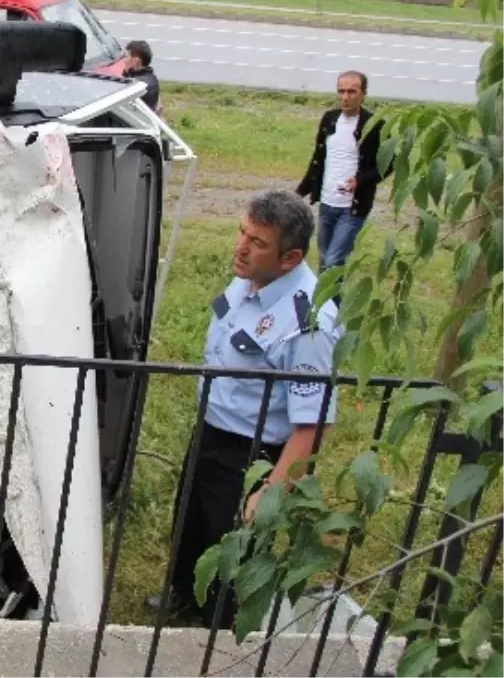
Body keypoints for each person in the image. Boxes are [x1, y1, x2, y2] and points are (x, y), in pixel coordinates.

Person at [155, 190, 340, 628]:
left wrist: (272, 489)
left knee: (233, 547)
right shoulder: (249, 278)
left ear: (289, 258)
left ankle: (218, 629)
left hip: (251, 452)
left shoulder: (307, 323)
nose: (241, 248)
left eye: (257, 242)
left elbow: (311, 425)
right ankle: (184, 597)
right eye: (242, 233)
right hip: (213, 430)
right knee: (193, 524)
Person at [295, 70, 389, 272]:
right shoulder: (329, 119)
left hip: (352, 208)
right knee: (323, 260)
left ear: (363, 94)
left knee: (334, 261)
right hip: (327, 203)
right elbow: (318, 159)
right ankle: (327, 304)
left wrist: (360, 180)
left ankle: (327, 303)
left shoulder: (375, 125)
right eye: (341, 91)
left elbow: (389, 163)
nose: (345, 97)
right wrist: (299, 193)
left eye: (351, 92)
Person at [123, 40, 161, 113]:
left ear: (136, 61)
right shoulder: (152, 77)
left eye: (126, 57)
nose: (124, 61)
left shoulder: (136, 85)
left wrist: (126, 72)